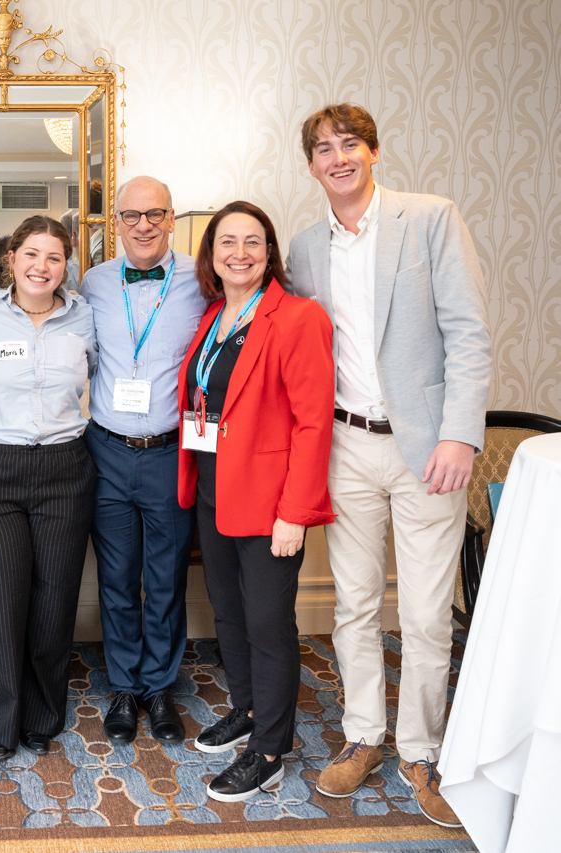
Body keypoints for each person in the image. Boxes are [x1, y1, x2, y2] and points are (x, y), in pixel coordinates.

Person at [287, 103, 490, 827]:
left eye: (349, 144)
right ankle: (364, 735)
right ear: (309, 165)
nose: (337, 158)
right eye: (322, 149)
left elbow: (466, 331)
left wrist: (459, 435)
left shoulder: (429, 216)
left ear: (373, 151)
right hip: (344, 446)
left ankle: (420, 749)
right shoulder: (306, 247)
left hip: (426, 445)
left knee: (428, 612)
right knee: (354, 603)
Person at [175, 201, 335, 801]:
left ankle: (270, 748)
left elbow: (313, 424)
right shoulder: (215, 315)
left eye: (252, 242)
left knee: (268, 625)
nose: (239, 253)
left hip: (270, 503)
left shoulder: (298, 318)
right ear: (211, 255)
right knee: (230, 614)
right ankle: (245, 710)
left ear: (269, 254)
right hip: (214, 492)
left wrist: (295, 512)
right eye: (227, 243)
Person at [0, 215, 97, 760]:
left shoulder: (84, 316)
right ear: (10, 258)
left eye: (55, 257)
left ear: (67, 266)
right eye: (32, 255)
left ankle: (42, 714)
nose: (42, 267)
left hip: (66, 466)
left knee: (54, 597)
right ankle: (1, 715)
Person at [80, 176, 209, 745]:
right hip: (105, 449)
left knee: (164, 578)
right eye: (131, 215)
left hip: (169, 453)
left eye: (154, 213)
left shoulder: (201, 281)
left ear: (172, 216)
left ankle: (159, 687)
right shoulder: (93, 282)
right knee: (115, 578)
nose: (143, 225)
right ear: (116, 223)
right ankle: (124, 687)